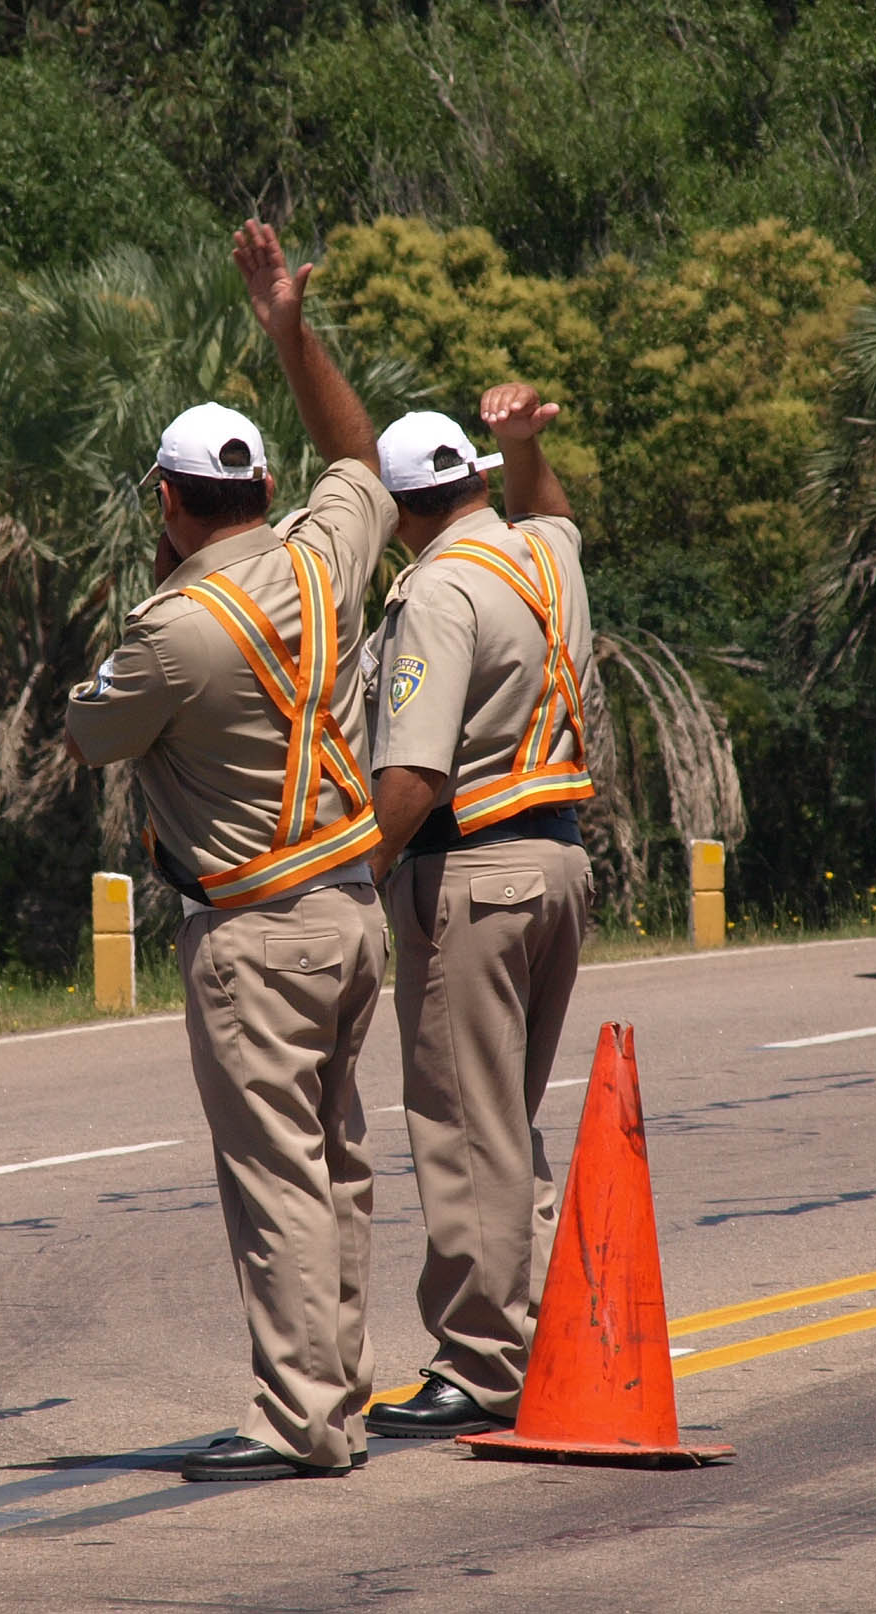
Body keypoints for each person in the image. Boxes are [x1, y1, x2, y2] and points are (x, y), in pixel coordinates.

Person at [64, 221, 398, 1482]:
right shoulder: (325, 559)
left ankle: (300, 1416)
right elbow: (358, 455)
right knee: (333, 1165)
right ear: (265, 491)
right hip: (352, 910)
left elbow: (89, 735)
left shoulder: (172, 630)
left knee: (275, 1183)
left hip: (253, 933)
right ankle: (338, 1394)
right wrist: (288, 331)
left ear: (166, 500)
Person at [358, 395, 596, 1439]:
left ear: (405, 512)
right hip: (556, 867)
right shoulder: (539, 554)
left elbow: (412, 770)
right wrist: (524, 448)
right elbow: (554, 510)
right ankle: (527, 1333)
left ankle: (478, 1363)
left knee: (462, 1131)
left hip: (472, 876)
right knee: (505, 1126)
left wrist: (347, 873)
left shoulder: (439, 591)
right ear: (474, 484)